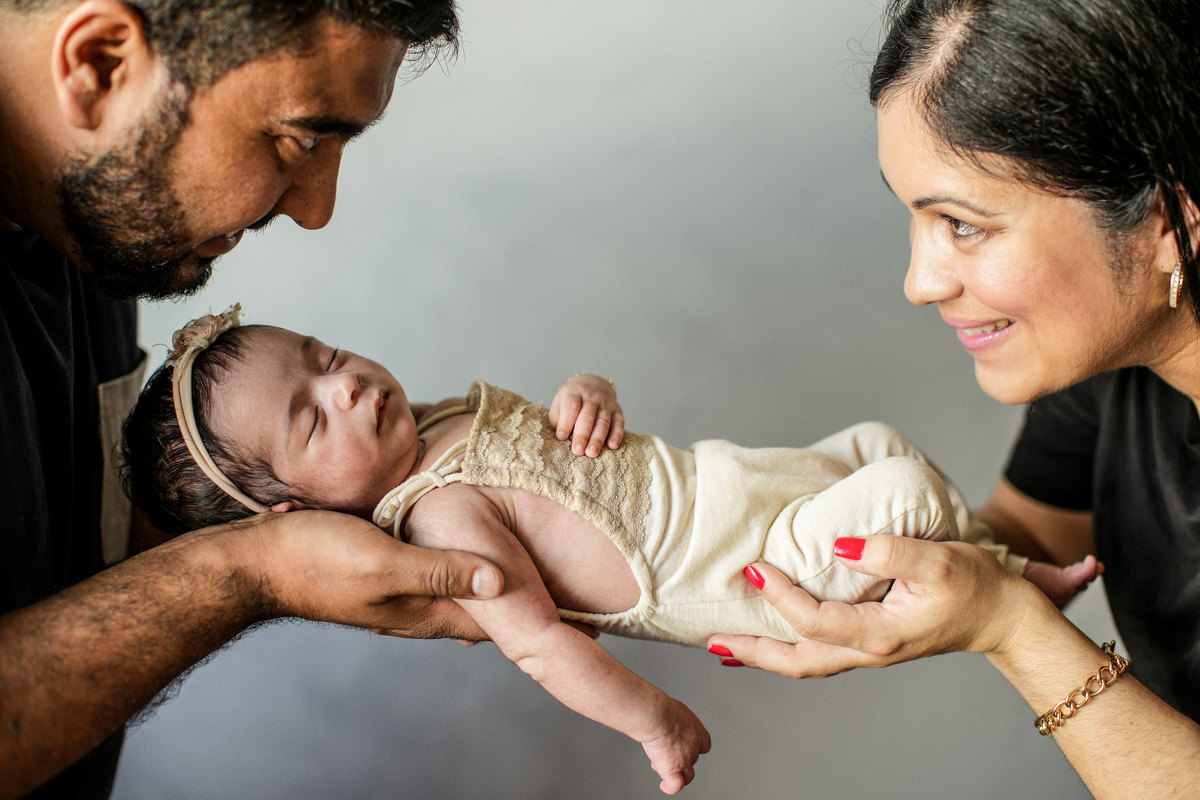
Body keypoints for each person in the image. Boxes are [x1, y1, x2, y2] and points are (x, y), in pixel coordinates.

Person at [119, 309, 1100, 794]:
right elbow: (542, 644)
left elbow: (568, 439)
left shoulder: (447, 416)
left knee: (883, 443)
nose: (347, 387)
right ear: (296, 507)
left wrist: (588, 389)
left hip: (747, 482)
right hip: (740, 566)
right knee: (902, 498)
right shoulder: (442, 517)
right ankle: (1013, 583)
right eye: (310, 415)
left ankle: (1016, 572)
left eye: (327, 358)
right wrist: (656, 719)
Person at [0, 3, 507, 798]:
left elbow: (74, 551)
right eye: (298, 140)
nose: (314, 209)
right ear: (97, 63)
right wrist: (254, 572)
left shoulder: (80, 224)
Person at [705, 0, 1200, 795]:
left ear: (1162, 223)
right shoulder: (1118, 371)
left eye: (963, 225)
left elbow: (1001, 594)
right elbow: (1019, 539)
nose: (919, 283)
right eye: (916, 218)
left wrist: (1008, 627)